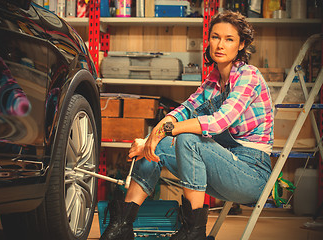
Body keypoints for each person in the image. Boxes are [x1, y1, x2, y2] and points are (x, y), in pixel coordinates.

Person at [100, 10, 273, 240]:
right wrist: (153, 138)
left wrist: (164, 131)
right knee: (158, 145)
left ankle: (194, 232)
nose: (220, 44)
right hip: (224, 165)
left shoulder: (248, 76)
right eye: (215, 37)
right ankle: (123, 225)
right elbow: (183, 110)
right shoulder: (213, 81)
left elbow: (217, 122)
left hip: (251, 174)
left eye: (229, 39)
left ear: (241, 45)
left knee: (187, 138)